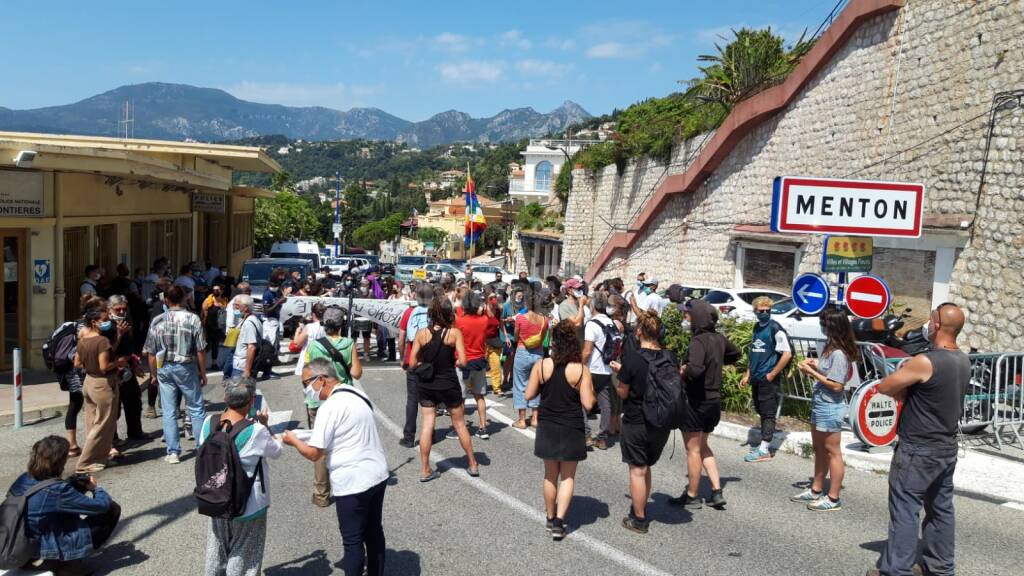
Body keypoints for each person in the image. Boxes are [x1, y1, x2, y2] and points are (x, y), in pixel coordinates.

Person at [866, 304, 969, 576]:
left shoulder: (926, 361)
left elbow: (886, 386)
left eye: (931, 319)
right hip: (946, 446)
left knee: (905, 509)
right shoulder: (963, 359)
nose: (927, 324)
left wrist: (903, 388)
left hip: (918, 448)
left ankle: (896, 570)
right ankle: (940, 567)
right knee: (941, 509)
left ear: (936, 325)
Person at [283, 359, 389, 576]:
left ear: (321, 379)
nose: (306, 390)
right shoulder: (355, 393)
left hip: (352, 482)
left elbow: (315, 453)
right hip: (377, 473)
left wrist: (293, 441)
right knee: (374, 532)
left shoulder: (329, 407)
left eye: (306, 384)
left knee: (352, 541)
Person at [199, 378, 282, 576]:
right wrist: (266, 425)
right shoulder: (255, 430)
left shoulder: (208, 423)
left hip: (216, 497)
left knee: (217, 549)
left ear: (225, 398)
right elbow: (277, 450)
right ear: (252, 401)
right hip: (249, 503)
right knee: (244, 553)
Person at [7, 436, 120, 572]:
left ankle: (58, 562)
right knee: (111, 509)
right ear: (60, 461)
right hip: (43, 554)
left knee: (63, 514)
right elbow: (101, 505)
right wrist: (94, 489)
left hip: (18, 548)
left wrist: (72, 483)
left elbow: (44, 499)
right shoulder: (58, 490)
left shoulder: (24, 478)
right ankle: (66, 565)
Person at [669, 299, 741, 510]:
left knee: (692, 449)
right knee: (702, 446)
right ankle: (716, 491)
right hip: (714, 402)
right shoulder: (718, 339)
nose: (685, 317)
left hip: (696, 401)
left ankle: (692, 495)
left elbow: (695, 369)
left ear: (697, 317)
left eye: (687, 314)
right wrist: (717, 362)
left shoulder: (698, 341)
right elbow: (735, 353)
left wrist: (683, 370)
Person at [526, 321, 595, 541]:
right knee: (567, 477)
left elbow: (528, 395)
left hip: (547, 424)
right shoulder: (581, 370)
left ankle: (549, 516)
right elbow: (588, 404)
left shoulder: (542, 365)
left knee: (549, 475)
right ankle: (559, 522)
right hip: (571, 427)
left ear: (554, 342)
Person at [610, 310, 674, 535]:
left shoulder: (633, 359)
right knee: (646, 466)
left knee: (637, 469)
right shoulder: (670, 357)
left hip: (637, 421)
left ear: (639, 332)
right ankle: (641, 505)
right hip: (662, 422)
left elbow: (623, 393)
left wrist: (620, 374)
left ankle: (639, 519)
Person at [792, 306, 858, 512]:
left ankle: (833, 497)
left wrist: (812, 372)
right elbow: (829, 370)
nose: (821, 327)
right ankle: (816, 490)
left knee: (832, 452)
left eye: (824, 324)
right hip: (820, 404)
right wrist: (816, 363)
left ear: (833, 327)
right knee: (820, 450)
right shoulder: (831, 348)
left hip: (830, 406)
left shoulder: (839, 353)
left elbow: (836, 384)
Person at [409, 296, 479, 481]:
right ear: (449, 314)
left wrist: (423, 363)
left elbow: (412, 362)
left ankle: (425, 469)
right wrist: (455, 360)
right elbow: (463, 361)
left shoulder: (421, 334)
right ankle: (472, 463)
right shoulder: (454, 333)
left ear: (430, 314)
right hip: (448, 382)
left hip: (427, 384)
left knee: (427, 425)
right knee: (460, 424)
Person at [304, 307, 362, 507]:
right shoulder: (348, 344)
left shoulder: (314, 346)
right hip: (342, 397)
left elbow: (308, 373)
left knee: (320, 446)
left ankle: (321, 494)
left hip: (320, 399)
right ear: (341, 325)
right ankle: (348, 486)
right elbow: (356, 373)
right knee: (345, 443)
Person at [143, 285, 208, 464]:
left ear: (166, 300)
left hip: (164, 366)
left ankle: (173, 451)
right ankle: (201, 447)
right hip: (186, 365)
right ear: (185, 299)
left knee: (169, 410)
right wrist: (203, 372)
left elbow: (150, 351)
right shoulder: (192, 319)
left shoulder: (157, 320)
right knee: (195, 407)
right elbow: (201, 350)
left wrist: (153, 373)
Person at [740, 296, 792, 463]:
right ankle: (763, 444)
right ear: (755, 311)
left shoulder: (775, 328)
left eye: (767, 310)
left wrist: (772, 373)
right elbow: (754, 352)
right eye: (761, 311)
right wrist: (748, 374)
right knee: (761, 411)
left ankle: (764, 450)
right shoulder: (756, 327)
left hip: (768, 379)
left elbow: (787, 353)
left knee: (768, 413)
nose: (764, 313)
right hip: (756, 377)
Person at [73, 301, 121, 473]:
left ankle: (97, 458)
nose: (107, 321)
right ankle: (85, 462)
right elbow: (104, 366)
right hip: (103, 383)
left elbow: (77, 363)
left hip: (89, 382)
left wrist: (89, 365)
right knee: (103, 424)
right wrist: (119, 362)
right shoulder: (102, 341)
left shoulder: (83, 340)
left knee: (92, 422)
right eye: (104, 319)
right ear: (94, 322)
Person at [398, 284, 433, 448]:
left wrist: (402, 357)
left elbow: (402, 336)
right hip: (431, 360)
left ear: (416, 296)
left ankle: (409, 437)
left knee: (412, 399)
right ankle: (429, 433)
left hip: (412, 358)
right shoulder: (434, 313)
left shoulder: (409, 312)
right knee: (430, 398)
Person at [582, 291, 617, 450]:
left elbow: (587, 350)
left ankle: (586, 435)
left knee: (581, 401)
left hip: (592, 368)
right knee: (605, 404)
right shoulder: (611, 323)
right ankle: (602, 438)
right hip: (606, 368)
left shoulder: (592, 324)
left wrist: (580, 365)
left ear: (594, 305)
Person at [106, 295, 144, 443]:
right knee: (113, 408)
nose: (122, 311)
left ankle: (135, 433)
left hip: (127, 369)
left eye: (124, 309)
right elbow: (108, 350)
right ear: (110, 309)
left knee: (134, 401)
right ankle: (113, 438)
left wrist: (135, 363)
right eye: (118, 309)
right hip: (112, 370)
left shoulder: (125, 322)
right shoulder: (106, 326)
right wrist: (119, 335)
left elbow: (130, 347)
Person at [456, 291, 492, 439]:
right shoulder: (484, 320)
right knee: (480, 396)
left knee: (461, 398)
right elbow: (488, 313)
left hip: (463, 361)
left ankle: (460, 428)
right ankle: (483, 427)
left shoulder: (459, 321)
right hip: (479, 360)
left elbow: (457, 310)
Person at [512, 289, 548, 429]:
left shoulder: (520, 318)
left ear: (527, 302)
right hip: (538, 353)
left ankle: (521, 420)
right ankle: (535, 418)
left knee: (520, 385)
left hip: (522, 352)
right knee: (536, 385)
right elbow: (542, 339)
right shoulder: (545, 320)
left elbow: (516, 337)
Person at [291, 302, 327, 376]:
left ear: (313, 314)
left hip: (309, 357)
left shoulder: (309, 327)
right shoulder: (328, 327)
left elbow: (297, 343)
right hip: (322, 357)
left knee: (308, 382)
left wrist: (297, 331)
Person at [232, 295, 261, 379]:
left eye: (237, 305)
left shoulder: (249, 323)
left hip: (242, 366)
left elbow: (251, 347)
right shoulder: (249, 319)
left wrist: (247, 370)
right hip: (241, 364)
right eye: (234, 305)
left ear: (245, 308)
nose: (234, 308)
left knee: (238, 391)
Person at [201, 283, 230, 369]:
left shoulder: (225, 300)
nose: (215, 292)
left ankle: (214, 363)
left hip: (218, 327)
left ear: (222, 291)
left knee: (215, 345)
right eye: (213, 290)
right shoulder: (208, 300)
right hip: (208, 326)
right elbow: (202, 312)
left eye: (217, 290)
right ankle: (201, 363)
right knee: (206, 345)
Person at [484, 293, 505, 397]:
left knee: (496, 365)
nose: (494, 306)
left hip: (494, 341)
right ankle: (473, 386)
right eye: (492, 304)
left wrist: (505, 336)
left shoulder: (498, 311)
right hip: (482, 341)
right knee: (479, 366)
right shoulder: (482, 310)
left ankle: (497, 388)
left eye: (495, 304)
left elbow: (501, 324)